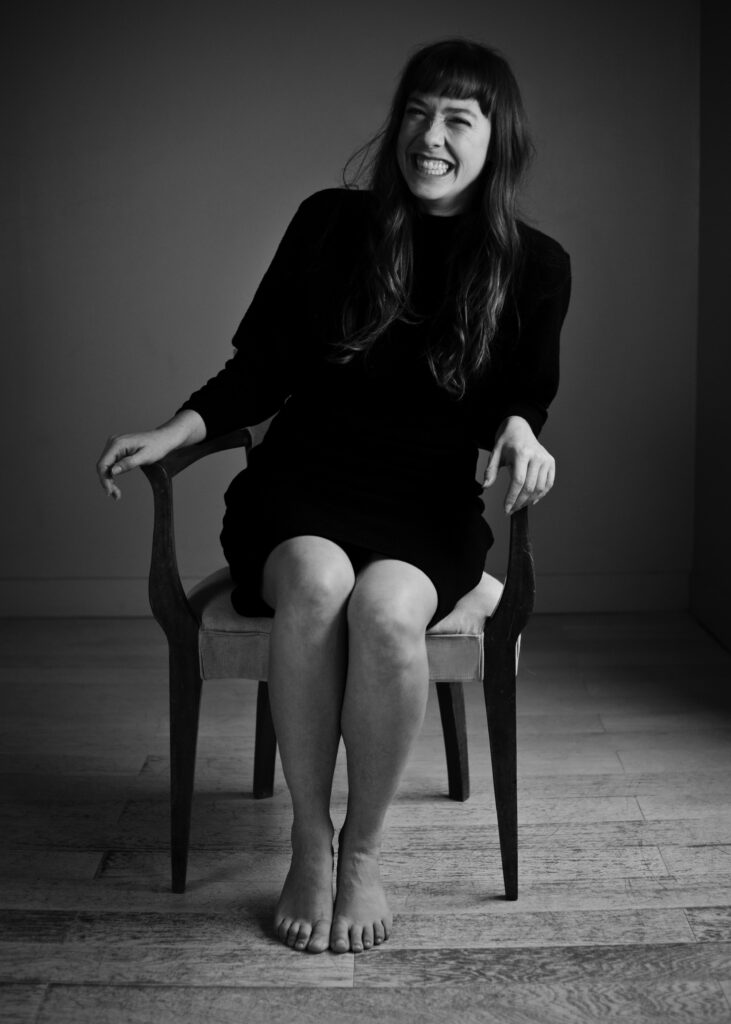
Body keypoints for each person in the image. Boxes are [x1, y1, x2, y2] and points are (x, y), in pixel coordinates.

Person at [96, 38, 571, 956]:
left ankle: (363, 851)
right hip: (300, 485)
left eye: (458, 120)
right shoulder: (327, 222)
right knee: (315, 581)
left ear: (495, 141)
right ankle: (309, 842)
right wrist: (175, 430)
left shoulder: (535, 264)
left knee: (390, 606)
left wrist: (520, 430)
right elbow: (258, 371)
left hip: (426, 503)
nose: (430, 136)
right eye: (417, 112)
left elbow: (525, 396)